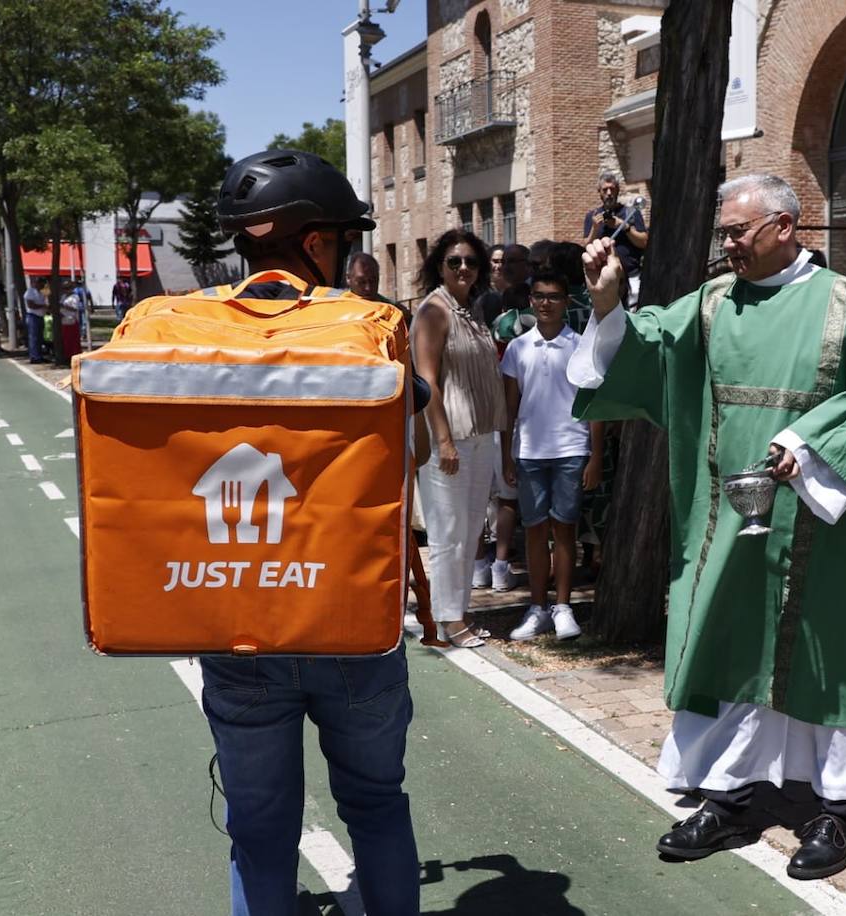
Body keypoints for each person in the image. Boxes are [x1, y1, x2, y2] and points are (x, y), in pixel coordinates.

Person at [568, 174, 846, 880]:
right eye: (724, 232)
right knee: (731, 645)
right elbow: (651, 342)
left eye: (739, 231)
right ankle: (726, 797)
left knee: (833, 659)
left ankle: (838, 808)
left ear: (785, 226)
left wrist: (809, 443)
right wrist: (607, 299)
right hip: (736, 515)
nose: (727, 245)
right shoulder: (714, 302)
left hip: (828, 520)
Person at [204, 148, 418, 916]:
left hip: (235, 617)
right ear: (316, 242)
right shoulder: (370, 326)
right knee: (376, 804)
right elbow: (412, 413)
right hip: (351, 621)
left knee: (259, 831)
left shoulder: (191, 329)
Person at [412, 227, 508, 648]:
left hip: (481, 435)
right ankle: (447, 619)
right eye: (454, 261)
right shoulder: (435, 312)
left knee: (471, 532)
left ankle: (461, 610)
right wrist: (444, 440)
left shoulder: (471, 309)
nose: (464, 268)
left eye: (471, 261)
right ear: (440, 266)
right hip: (449, 440)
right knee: (448, 531)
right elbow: (426, 381)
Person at [501, 270, 603, 640]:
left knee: (565, 530)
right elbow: (510, 408)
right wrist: (506, 455)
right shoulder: (518, 348)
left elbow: (593, 405)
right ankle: (537, 607)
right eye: (540, 296)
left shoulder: (580, 345)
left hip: (571, 449)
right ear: (530, 300)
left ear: (566, 302)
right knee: (533, 531)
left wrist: (594, 456)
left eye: (554, 296)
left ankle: (563, 607)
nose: (546, 303)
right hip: (528, 452)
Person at [583, 172, 647, 302]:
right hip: (603, 278)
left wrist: (624, 226)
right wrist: (595, 228)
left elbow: (644, 242)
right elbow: (586, 245)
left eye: (612, 189)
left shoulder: (631, 213)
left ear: (617, 190)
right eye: (605, 190)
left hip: (631, 276)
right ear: (599, 192)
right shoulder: (592, 216)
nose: (609, 193)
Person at [24, 276, 49, 364]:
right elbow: (31, 305)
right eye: (40, 283)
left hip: (41, 316)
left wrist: (46, 290)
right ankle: (34, 356)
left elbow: (48, 299)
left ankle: (39, 355)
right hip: (33, 316)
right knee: (33, 337)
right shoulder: (30, 291)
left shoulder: (43, 291)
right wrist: (43, 306)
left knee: (40, 337)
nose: (42, 285)